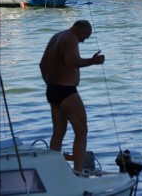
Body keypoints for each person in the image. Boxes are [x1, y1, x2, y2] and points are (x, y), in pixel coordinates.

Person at [39, 20, 105, 173]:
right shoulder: (71, 38)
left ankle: (53, 170)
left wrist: (50, 83)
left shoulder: (57, 36)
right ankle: (78, 172)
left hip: (52, 90)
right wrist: (93, 61)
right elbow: (71, 62)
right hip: (67, 92)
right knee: (82, 132)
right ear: (80, 30)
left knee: (58, 133)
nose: (83, 40)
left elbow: (42, 64)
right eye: (85, 36)